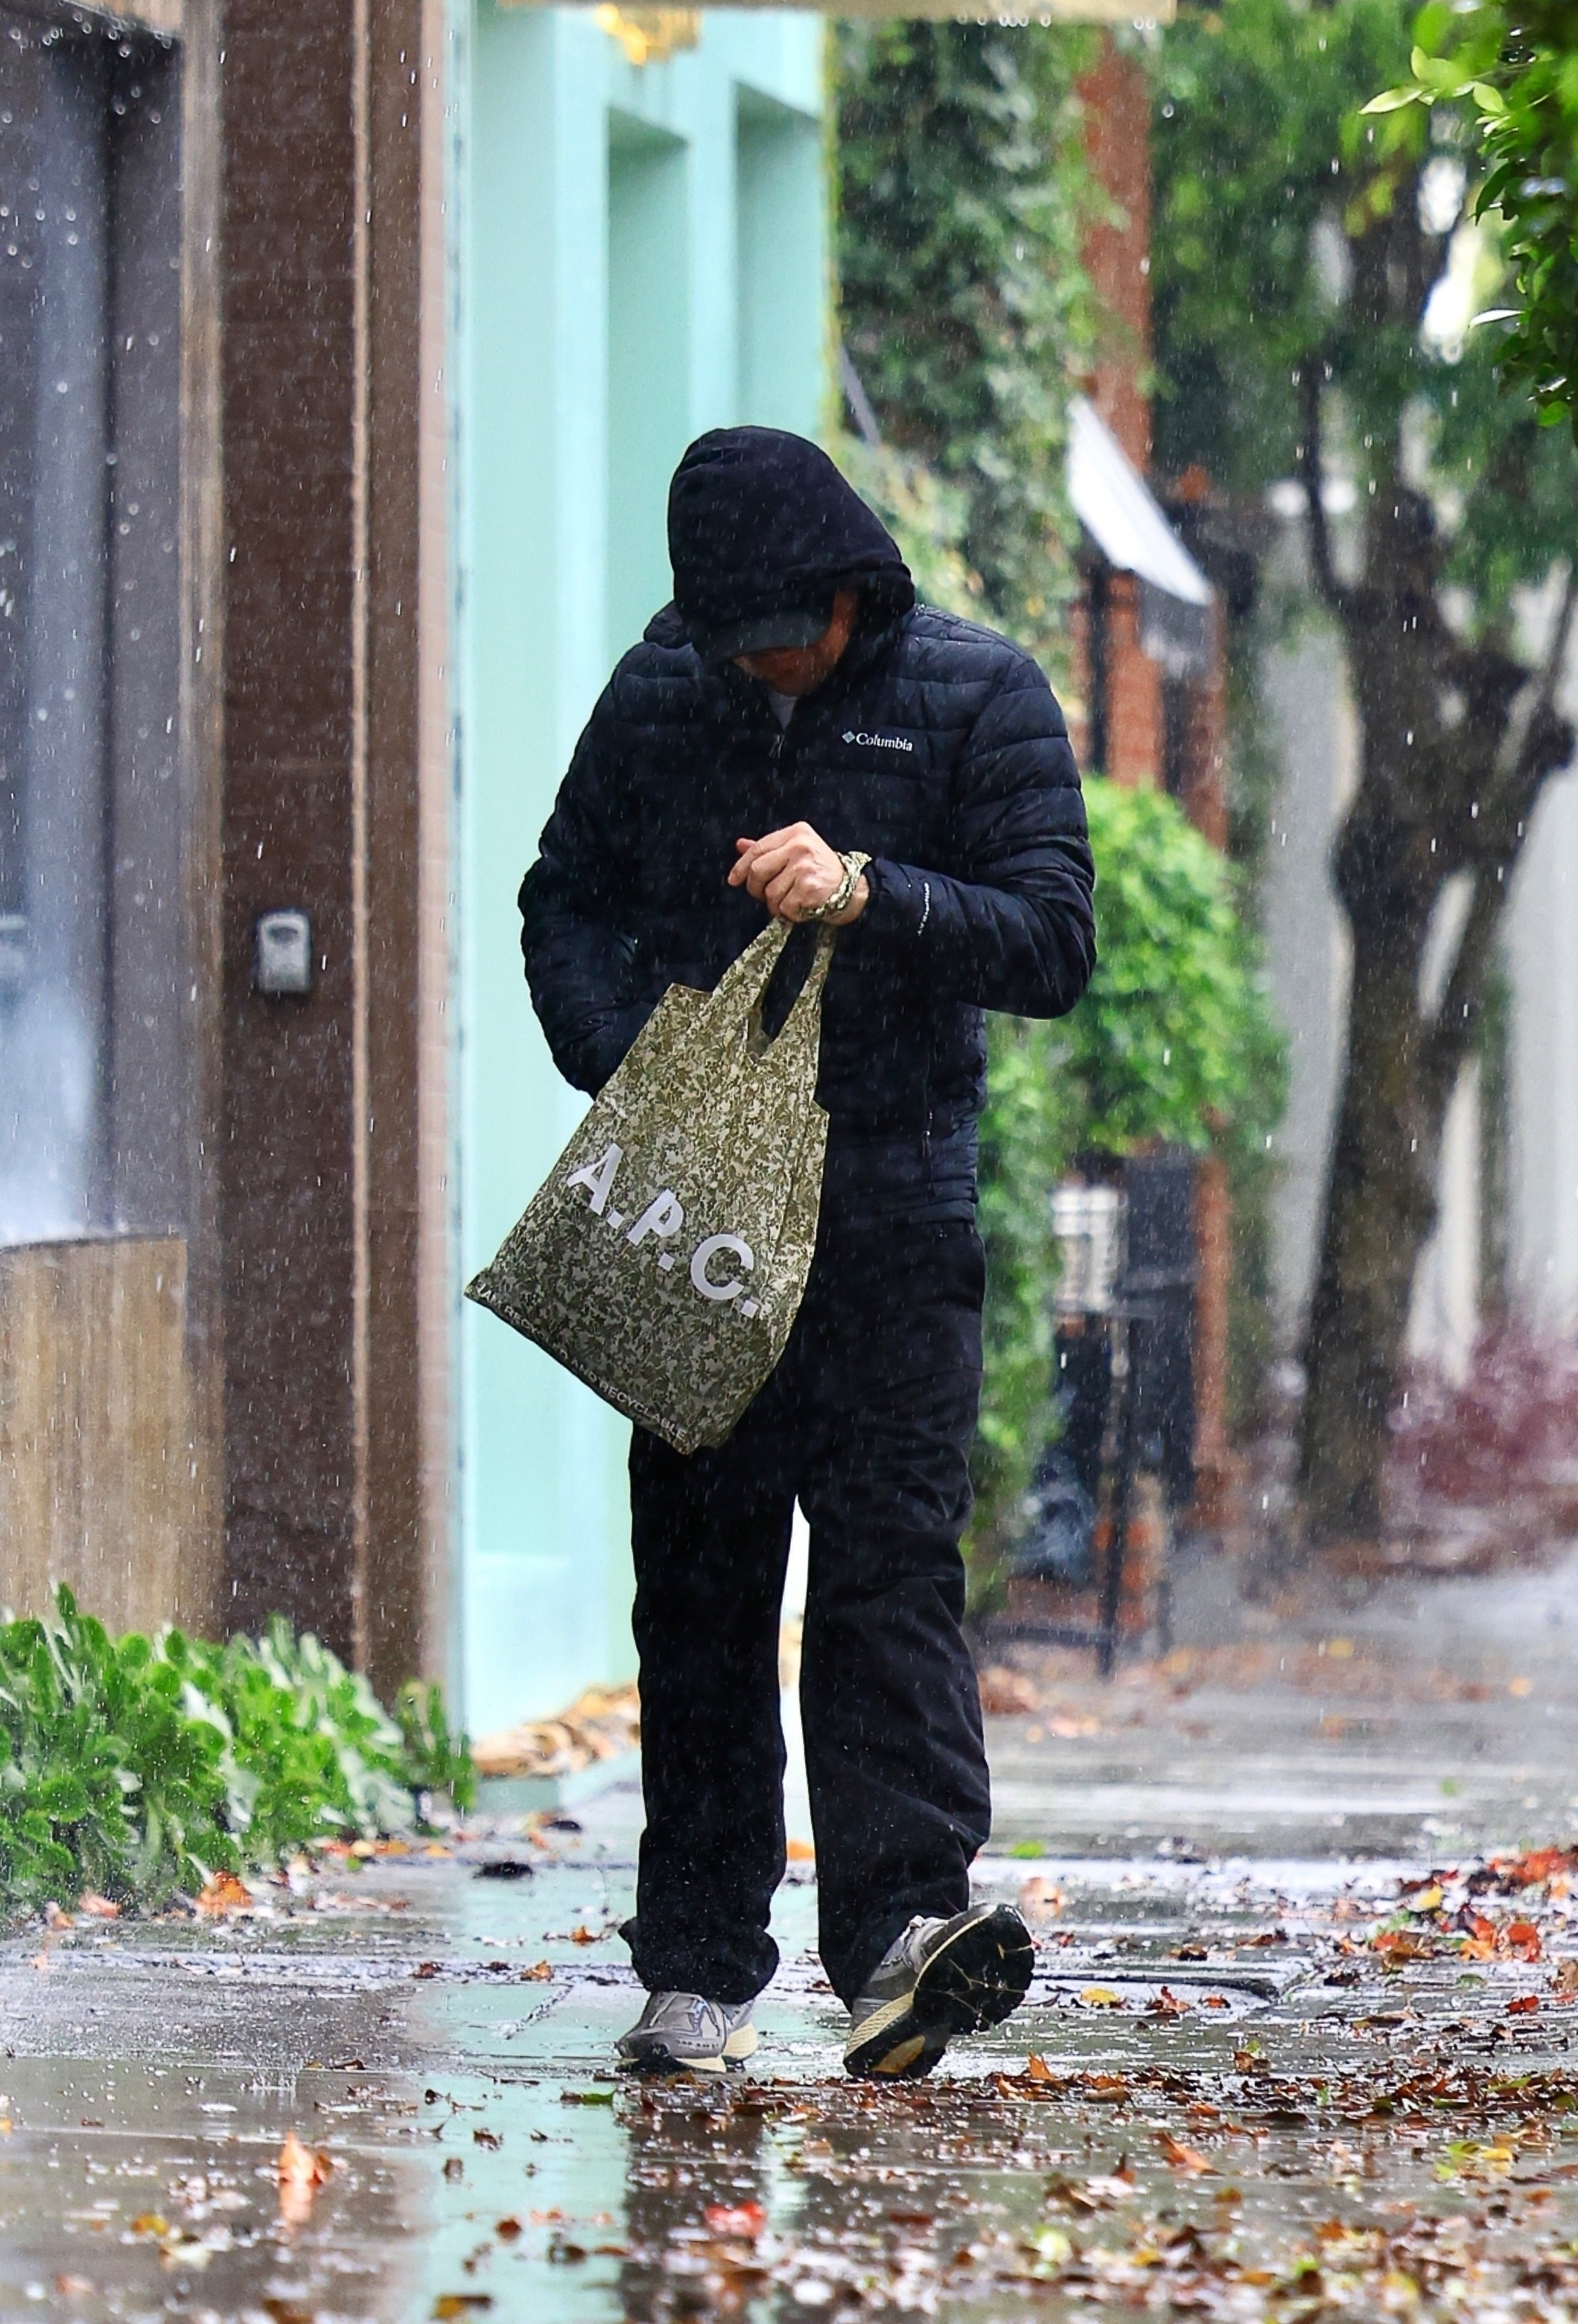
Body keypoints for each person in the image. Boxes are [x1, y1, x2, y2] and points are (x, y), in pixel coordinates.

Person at [520, 427, 1095, 2079]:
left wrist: (868, 891)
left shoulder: (974, 694)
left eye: (784, 634)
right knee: (697, 1581)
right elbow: (562, 899)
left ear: (852, 593)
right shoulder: (660, 698)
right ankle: (694, 1963)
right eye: (733, 640)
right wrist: (634, 1052)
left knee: (887, 1569)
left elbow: (1051, 937)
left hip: (893, 1208)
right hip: (696, 1215)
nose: (759, 665)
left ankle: (903, 1934)